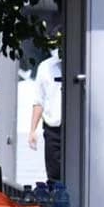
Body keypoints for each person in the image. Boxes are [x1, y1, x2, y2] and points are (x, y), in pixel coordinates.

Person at [28, 45, 63, 181]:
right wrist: (32, 130)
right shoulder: (46, 67)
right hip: (53, 128)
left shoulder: (83, 66)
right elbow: (39, 100)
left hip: (75, 128)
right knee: (54, 173)